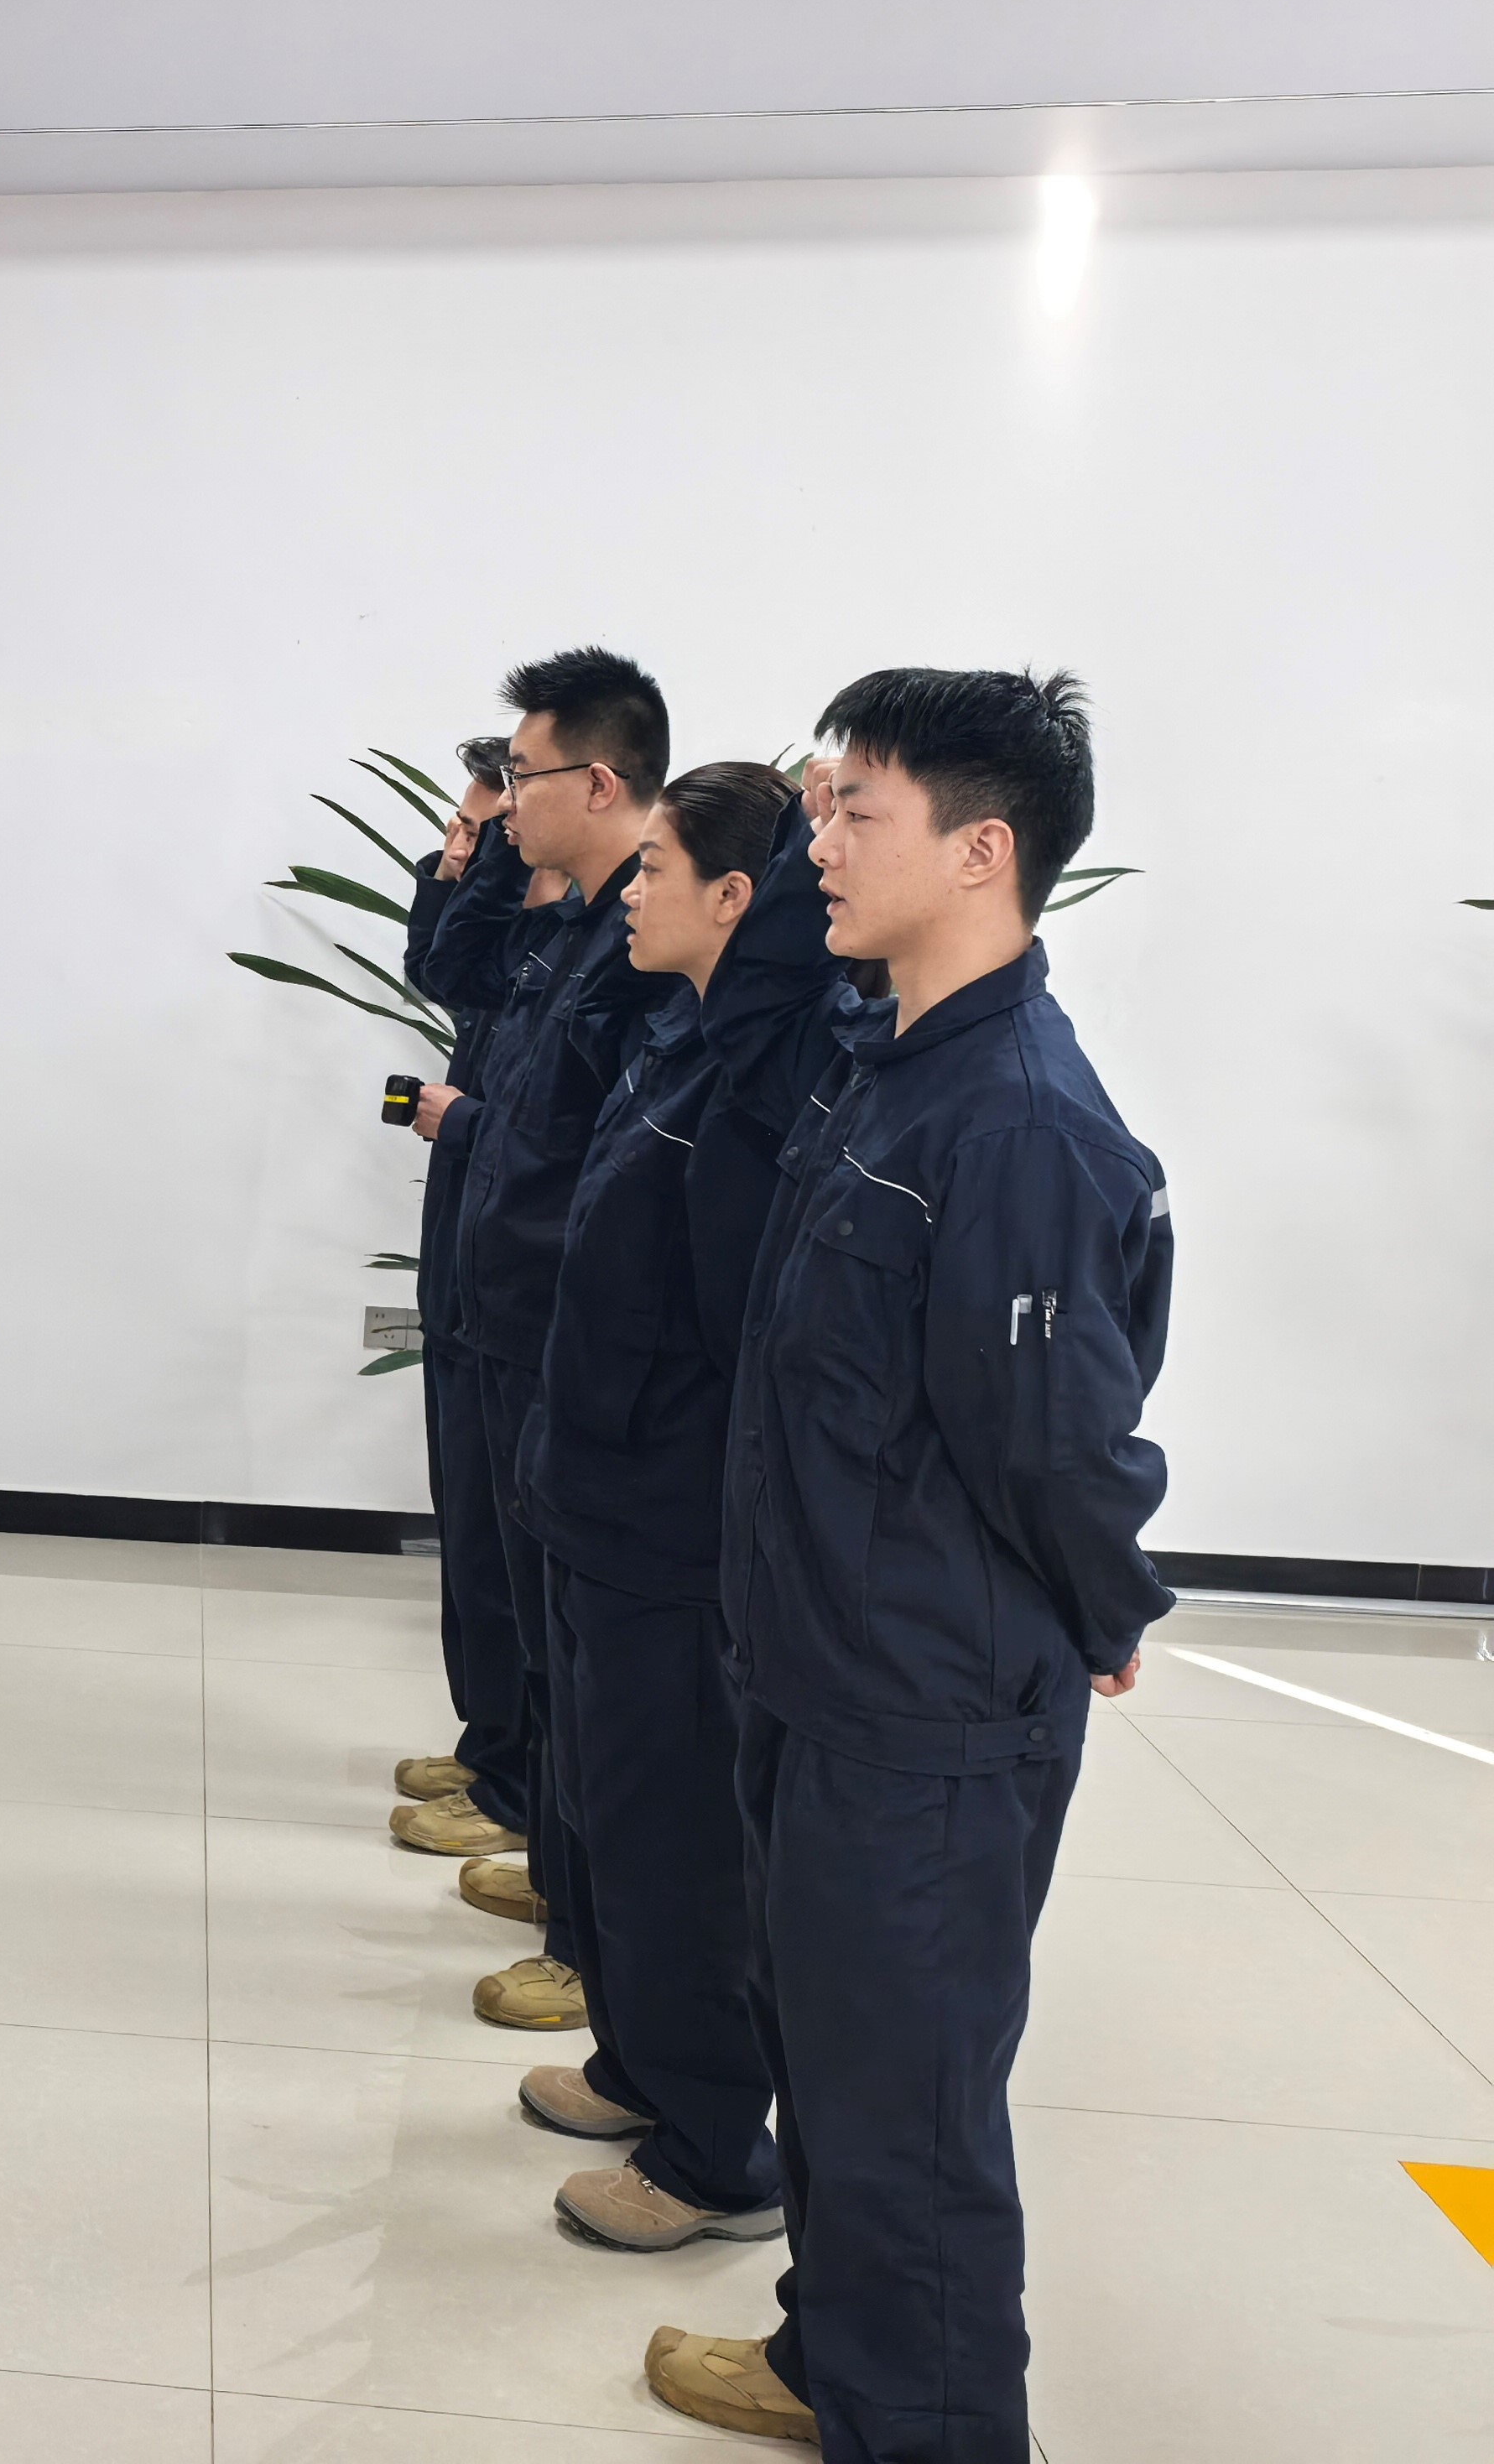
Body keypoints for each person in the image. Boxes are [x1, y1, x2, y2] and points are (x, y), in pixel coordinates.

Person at [643, 670, 1174, 2456]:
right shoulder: (892, 1067)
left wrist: (1105, 1609)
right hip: (820, 1665)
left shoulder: (1013, 1120)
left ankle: (927, 2425)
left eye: (854, 811)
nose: (819, 845)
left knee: (906, 2108)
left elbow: (1055, 1440)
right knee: (827, 2057)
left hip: (925, 1710)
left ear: (979, 851)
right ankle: (836, 2360)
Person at [514, 758, 824, 2254]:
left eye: (657, 869)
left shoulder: (757, 1087)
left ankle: (713, 2157)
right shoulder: (677, 1038)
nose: (631, 888)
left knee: (677, 1842)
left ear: (737, 899)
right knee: (606, 1813)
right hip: (597, 1500)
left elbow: (732, 1339)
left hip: (673, 1532)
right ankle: (640, 2068)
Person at [398, 648, 675, 2042]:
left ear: (601, 782)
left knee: (584, 1655)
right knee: (521, 1598)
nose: (508, 805)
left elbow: (592, 1156)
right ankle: (547, 1843)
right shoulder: (576, 930)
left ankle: (590, 1923)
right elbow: (458, 980)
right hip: (502, 1301)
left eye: (522, 779)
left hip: (566, 1329)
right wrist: (469, 859)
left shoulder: (646, 948)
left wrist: (473, 1130)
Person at [393, 734, 569, 1930]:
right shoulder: (525, 941)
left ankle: (517, 1782)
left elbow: (558, 1149)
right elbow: (440, 964)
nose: (458, 850)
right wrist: (467, 864)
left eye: (479, 827)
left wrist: (461, 1126)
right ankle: (491, 1746)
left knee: (513, 1558)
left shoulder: (595, 955)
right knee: (471, 1532)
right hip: (469, 1279)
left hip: (523, 1299)